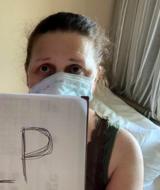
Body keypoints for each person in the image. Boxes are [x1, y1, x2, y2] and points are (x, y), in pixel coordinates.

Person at [24, 12, 143, 190]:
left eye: (75, 69)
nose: (59, 83)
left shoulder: (123, 150)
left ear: (96, 77)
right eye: (45, 68)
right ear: (27, 74)